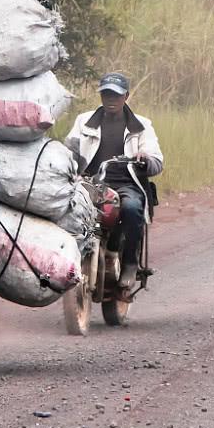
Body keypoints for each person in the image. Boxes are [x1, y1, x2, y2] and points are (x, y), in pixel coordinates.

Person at [64, 73, 164, 302]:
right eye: (106, 93)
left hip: (127, 183)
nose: (111, 98)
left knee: (131, 208)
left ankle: (129, 264)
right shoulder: (84, 121)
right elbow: (69, 151)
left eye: (116, 94)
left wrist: (144, 159)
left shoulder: (141, 125)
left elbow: (157, 162)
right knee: (66, 210)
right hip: (90, 183)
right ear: (101, 95)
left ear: (125, 96)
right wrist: (71, 168)